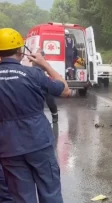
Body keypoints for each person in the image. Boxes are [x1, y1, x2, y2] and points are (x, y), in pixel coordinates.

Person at [0, 28, 71, 203]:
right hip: (39, 142)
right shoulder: (33, 74)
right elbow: (66, 90)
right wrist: (44, 64)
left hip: (9, 148)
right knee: (50, 193)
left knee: (22, 198)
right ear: (20, 50)